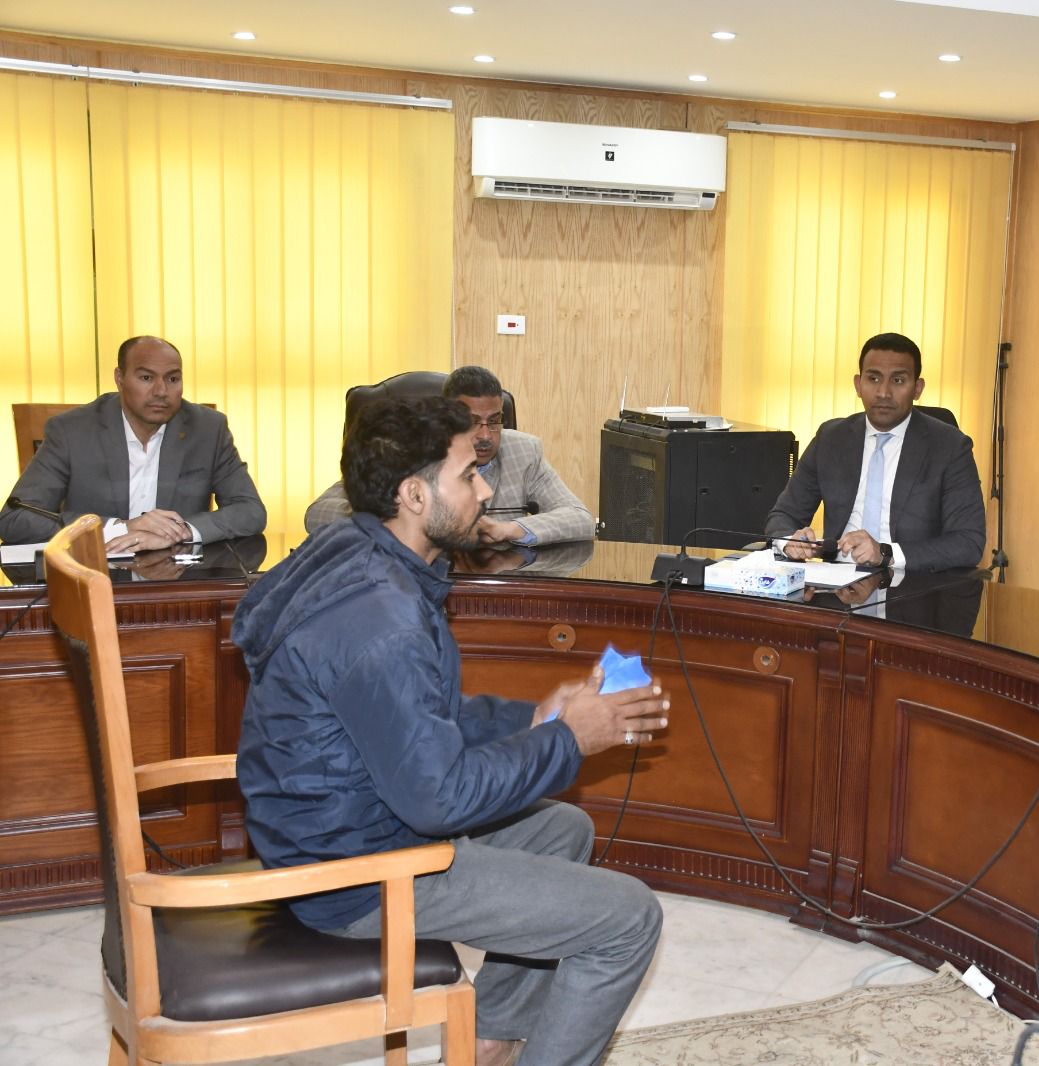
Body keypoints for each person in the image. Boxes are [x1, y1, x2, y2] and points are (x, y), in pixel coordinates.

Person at [235, 397, 668, 1066]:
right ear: (414, 495)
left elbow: (417, 715)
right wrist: (569, 740)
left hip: (333, 829)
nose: (486, 491)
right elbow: (439, 800)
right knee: (629, 919)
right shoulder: (383, 618)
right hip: (353, 874)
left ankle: (487, 1039)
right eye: (468, 475)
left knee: (563, 830)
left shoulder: (362, 554)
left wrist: (532, 720)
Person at [0, 335, 266, 551]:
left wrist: (181, 531)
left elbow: (250, 510)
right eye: (146, 378)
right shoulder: (71, 431)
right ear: (120, 379)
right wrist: (119, 529)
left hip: (177, 580)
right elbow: (15, 519)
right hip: (95, 575)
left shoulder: (208, 429)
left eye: (173, 379)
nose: (161, 391)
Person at [765, 332, 986, 572]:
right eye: (873, 378)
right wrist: (789, 542)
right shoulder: (831, 438)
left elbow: (968, 542)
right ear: (858, 385)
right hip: (835, 583)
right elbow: (784, 515)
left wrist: (885, 553)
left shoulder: (950, 447)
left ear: (918, 388)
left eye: (898, 380)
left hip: (909, 581)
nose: (883, 393)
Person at [305, 365, 594, 546]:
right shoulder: (415, 451)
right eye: (471, 421)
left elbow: (580, 518)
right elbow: (318, 513)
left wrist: (509, 529)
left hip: (497, 587)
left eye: (494, 421)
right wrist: (395, 520)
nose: (485, 435)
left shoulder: (524, 452)